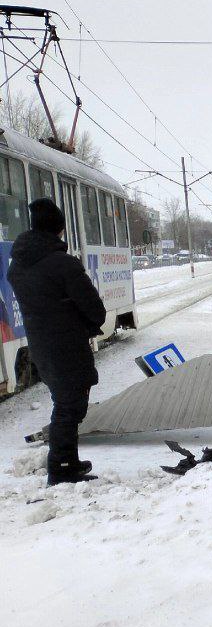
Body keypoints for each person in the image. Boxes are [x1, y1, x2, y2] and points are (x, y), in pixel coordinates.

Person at [7, 198, 105, 486]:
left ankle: (67, 461)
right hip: (68, 345)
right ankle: (61, 467)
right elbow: (95, 310)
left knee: (66, 402)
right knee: (69, 406)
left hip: (41, 344)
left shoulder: (18, 267)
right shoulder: (63, 265)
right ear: (59, 229)